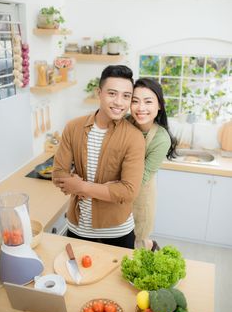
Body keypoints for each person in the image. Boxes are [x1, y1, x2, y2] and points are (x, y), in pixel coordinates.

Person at [52, 65, 145, 249]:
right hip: (78, 228)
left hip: (118, 231)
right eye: (112, 93)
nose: (119, 102)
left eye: (126, 96)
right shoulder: (73, 127)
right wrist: (107, 189)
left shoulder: (134, 137)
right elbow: (58, 175)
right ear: (99, 93)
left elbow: (128, 192)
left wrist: (80, 186)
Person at [128, 77, 177, 250]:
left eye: (148, 102)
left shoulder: (161, 139)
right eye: (135, 101)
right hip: (116, 194)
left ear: (159, 106)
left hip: (140, 197)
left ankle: (150, 247)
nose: (141, 108)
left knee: (136, 242)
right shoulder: (124, 123)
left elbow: (141, 177)